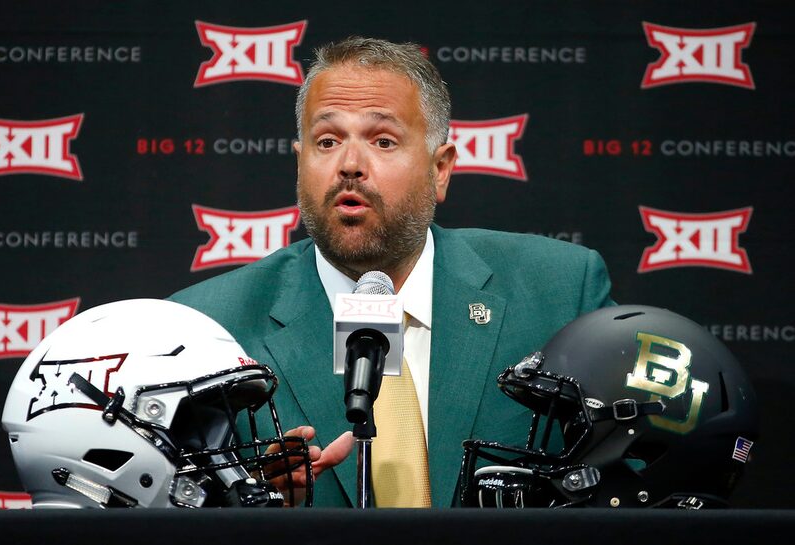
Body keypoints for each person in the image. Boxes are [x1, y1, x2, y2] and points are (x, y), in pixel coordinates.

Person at [169, 36, 614, 507]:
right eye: (327, 141)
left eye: (383, 140)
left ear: (440, 169)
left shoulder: (562, 293)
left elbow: (632, 484)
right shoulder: (206, 328)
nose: (350, 166)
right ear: (300, 163)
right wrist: (248, 503)